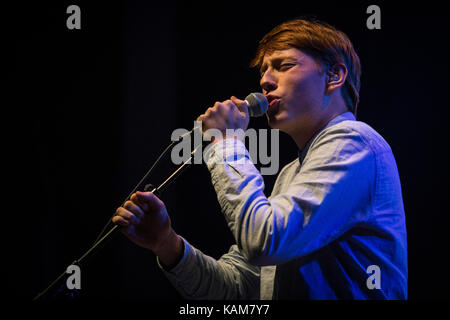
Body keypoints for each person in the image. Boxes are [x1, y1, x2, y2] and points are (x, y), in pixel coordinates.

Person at [112, 18, 407, 299]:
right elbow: (236, 290)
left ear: (334, 76)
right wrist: (167, 244)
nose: (265, 81)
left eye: (283, 66)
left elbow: (264, 241)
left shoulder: (354, 142)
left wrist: (225, 143)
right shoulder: (291, 173)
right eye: (264, 71)